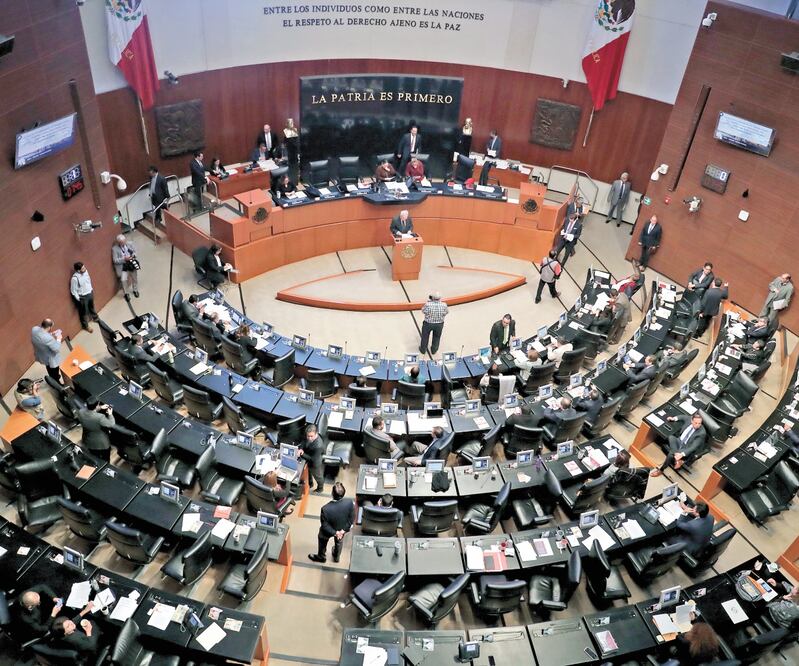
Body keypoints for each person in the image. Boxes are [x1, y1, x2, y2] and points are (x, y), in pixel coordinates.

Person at [309, 482, 354, 563]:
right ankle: (336, 558)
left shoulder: (325, 509)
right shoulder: (349, 502)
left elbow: (325, 525)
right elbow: (351, 518)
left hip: (330, 531)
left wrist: (335, 532)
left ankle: (321, 557)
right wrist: (343, 531)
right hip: (342, 529)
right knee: (339, 542)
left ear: (332, 493)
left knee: (322, 538)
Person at [77, 397, 116, 462]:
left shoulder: (80, 412)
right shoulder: (100, 417)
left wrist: (100, 407)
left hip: (88, 440)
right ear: (97, 405)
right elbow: (111, 424)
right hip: (101, 444)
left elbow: (90, 412)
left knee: (95, 458)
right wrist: (110, 414)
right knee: (105, 460)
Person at [70, 262, 98, 332]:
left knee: (92, 307)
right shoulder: (75, 279)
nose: (85, 269)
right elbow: (73, 290)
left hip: (90, 293)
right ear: (78, 270)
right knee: (84, 312)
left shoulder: (85, 272)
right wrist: (79, 299)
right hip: (83, 297)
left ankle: (95, 318)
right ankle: (86, 326)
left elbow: (88, 280)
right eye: (83, 268)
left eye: (84, 267)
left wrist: (91, 289)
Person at [112, 234, 140, 301]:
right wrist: (124, 259)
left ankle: (135, 290)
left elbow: (135, 252)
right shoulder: (114, 249)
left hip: (131, 264)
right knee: (124, 281)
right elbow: (115, 260)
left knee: (134, 278)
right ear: (119, 242)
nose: (124, 243)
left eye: (124, 241)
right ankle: (126, 294)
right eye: (122, 242)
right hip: (123, 267)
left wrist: (133, 256)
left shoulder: (130, 244)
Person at [300, 423, 325, 494]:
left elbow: (312, 459)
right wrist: (301, 449)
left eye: (311, 436)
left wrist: (302, 453)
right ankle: (310, 484)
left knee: (318, 477)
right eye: (308, 436)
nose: (309, 438)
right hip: (308, 456)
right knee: (308, 472)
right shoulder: (307, 435)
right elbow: (303, 441)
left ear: (316, 433)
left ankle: (320, 488)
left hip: (315, 463)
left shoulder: (318, 445)